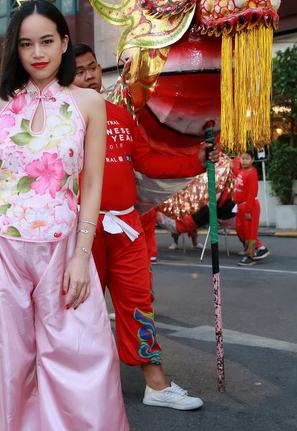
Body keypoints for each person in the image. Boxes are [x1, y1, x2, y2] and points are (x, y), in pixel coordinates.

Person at [0, 0, 164, 431]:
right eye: (25, 44)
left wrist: (81, 253)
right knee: (10, 377)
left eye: (46, 41)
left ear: (63, 41)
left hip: (62, 249)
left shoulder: (88, 102)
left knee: (86, 367)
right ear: (14, 49)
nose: (37, 54)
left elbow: (92, 184)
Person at [73, 43, 206, 411]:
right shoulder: (59, 118)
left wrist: (196, 159)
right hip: (81, 230)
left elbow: (147, 161)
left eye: (93, 68)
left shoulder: (119, 115)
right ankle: (79, 385)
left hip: (127, 226)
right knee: (80, 308)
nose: (89, 76)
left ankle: (156, 384)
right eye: (79, 71)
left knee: (139, 303)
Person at [234, 149, 262, 266]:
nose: (244, 161)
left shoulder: (252, 175)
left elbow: (251, 193)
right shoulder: (242, 172)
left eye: (247, 159)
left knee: (249, 232)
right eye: (242, 158)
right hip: (240, 206)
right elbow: (235, 172)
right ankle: (260, 248)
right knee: (241, 230)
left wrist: (248, 210)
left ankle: (249, 255)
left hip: (248, 206)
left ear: (252, 160)